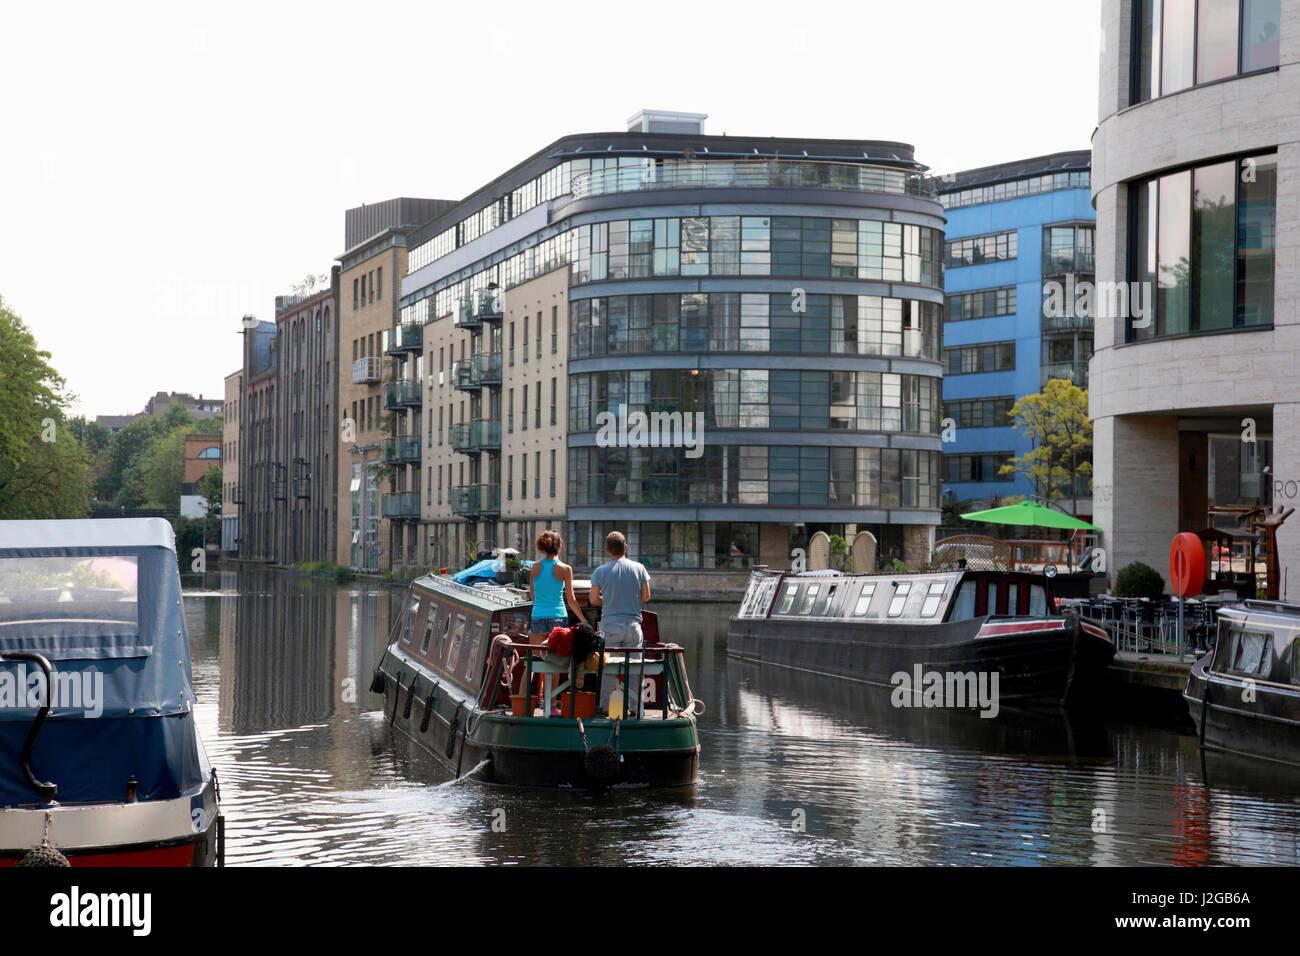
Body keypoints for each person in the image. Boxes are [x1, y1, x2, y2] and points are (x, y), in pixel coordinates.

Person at [589, 531, 652, 714]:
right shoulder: (639, 568)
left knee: (607, 665)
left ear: (607, 550)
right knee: (634, 667)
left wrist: (608, 601)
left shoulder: (600, 571)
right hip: (633, 626)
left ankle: (606, 707)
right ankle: (634, 708)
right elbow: (646, 596)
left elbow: (593, 600)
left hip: (610, 627)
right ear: (626, 548)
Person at [527, 531, 585, 713]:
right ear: (560, 547)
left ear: (543, 547)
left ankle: (526, 705)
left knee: (534, 662)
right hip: (558, 617)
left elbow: (532, 595)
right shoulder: (565, 569)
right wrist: (583, 621)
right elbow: (571, 599)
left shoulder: (535, 567)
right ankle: (551, 706)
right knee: (556, 663)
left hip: (537, 616)